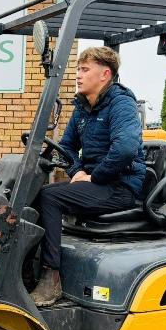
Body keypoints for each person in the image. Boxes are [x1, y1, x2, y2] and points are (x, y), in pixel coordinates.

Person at [30, 46, 146, 307]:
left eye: (84, 70)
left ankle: (51, 279)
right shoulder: (83, 107)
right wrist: (78, 171)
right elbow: (67, 145)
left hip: (121, 186)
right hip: (97, 181)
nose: (78, 75)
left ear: (105, 74)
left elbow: (125, 148)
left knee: (49, 197)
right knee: (35, 193)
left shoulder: (121, 104)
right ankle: (30, 266)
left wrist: (94, 177)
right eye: (78, 70)